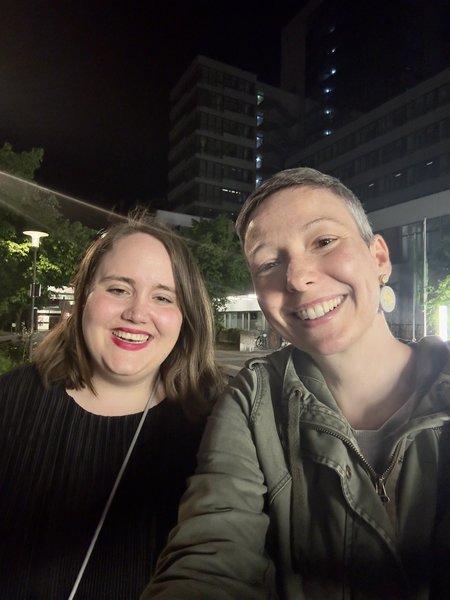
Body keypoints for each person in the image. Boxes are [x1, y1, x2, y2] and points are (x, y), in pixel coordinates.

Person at [143, 168, 450, 599]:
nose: (297, 278)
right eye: (269, 263)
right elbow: (212, 554)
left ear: (379, 258)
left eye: (324, 241)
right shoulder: (253, 400)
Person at [0, 215, 225, 599]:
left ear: (186, 316)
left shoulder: (216, 429)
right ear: (84, 296)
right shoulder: (9, 400)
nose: (137, 313)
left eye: (162, 297)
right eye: (119, 289)